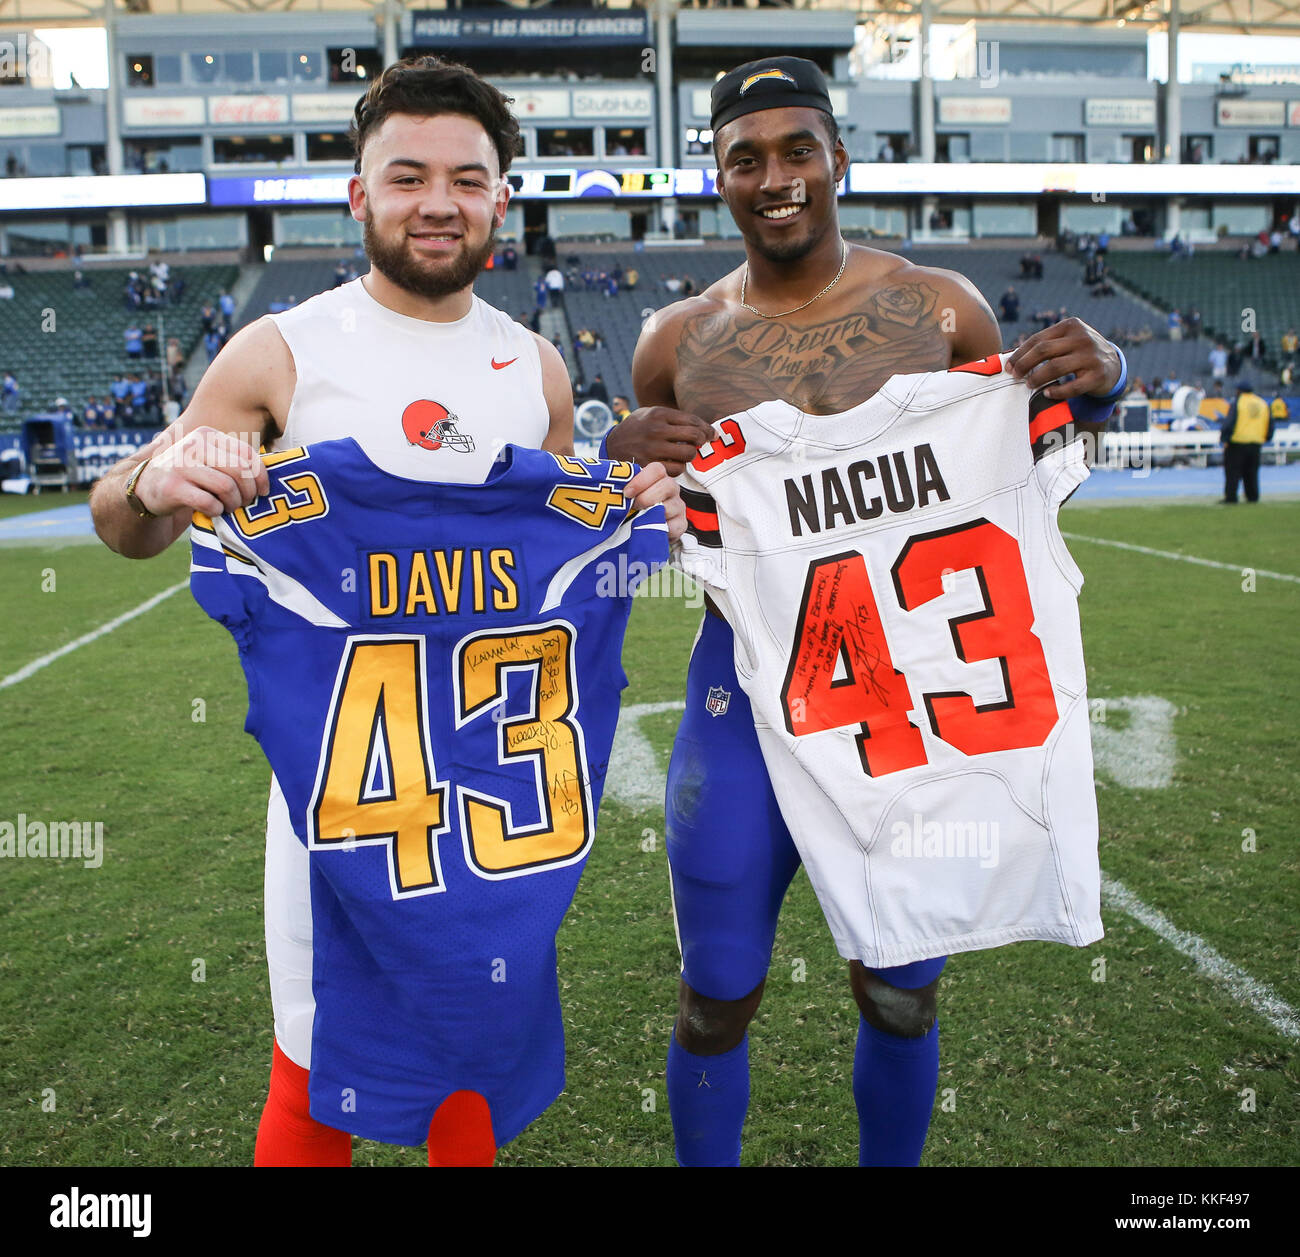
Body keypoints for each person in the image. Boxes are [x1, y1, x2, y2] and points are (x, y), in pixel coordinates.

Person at [90, 53, 683, 1168]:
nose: (437, 202)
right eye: (406, 177)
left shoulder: (537, 369)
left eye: (466, 178)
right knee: (313, 1073)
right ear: (359, 195)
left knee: (473, 1063)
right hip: (346, 789)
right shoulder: (283, 350)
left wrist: (638, 515)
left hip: (502, 784)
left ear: (501, 199)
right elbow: (121, 523)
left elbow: (553, 581)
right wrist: (155, 485)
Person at [606, 54, 1124, 1169]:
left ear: (839, 156)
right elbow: (642, 519)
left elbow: (1034, 458)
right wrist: (612, 461)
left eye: (798, 149)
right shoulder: (672, 344)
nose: (776, 176)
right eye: (747, 157)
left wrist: (1107, 373)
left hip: (914, 703)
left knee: (899, 991)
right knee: (714, 998)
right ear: (718, 178)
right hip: (741, 689)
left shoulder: (941, 308)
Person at [1220, 381, 1273, 503]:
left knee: (1233, 472)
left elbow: (1229, 423)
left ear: (1239, 391)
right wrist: (1267, 437)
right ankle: (1252, 496)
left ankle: (1231, 497)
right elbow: (1270, 423)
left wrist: (1225, 439)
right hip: (1256, 443)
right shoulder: (1262, 403)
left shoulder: (1238, 403)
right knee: (1252, 472)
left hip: (1238, 442)